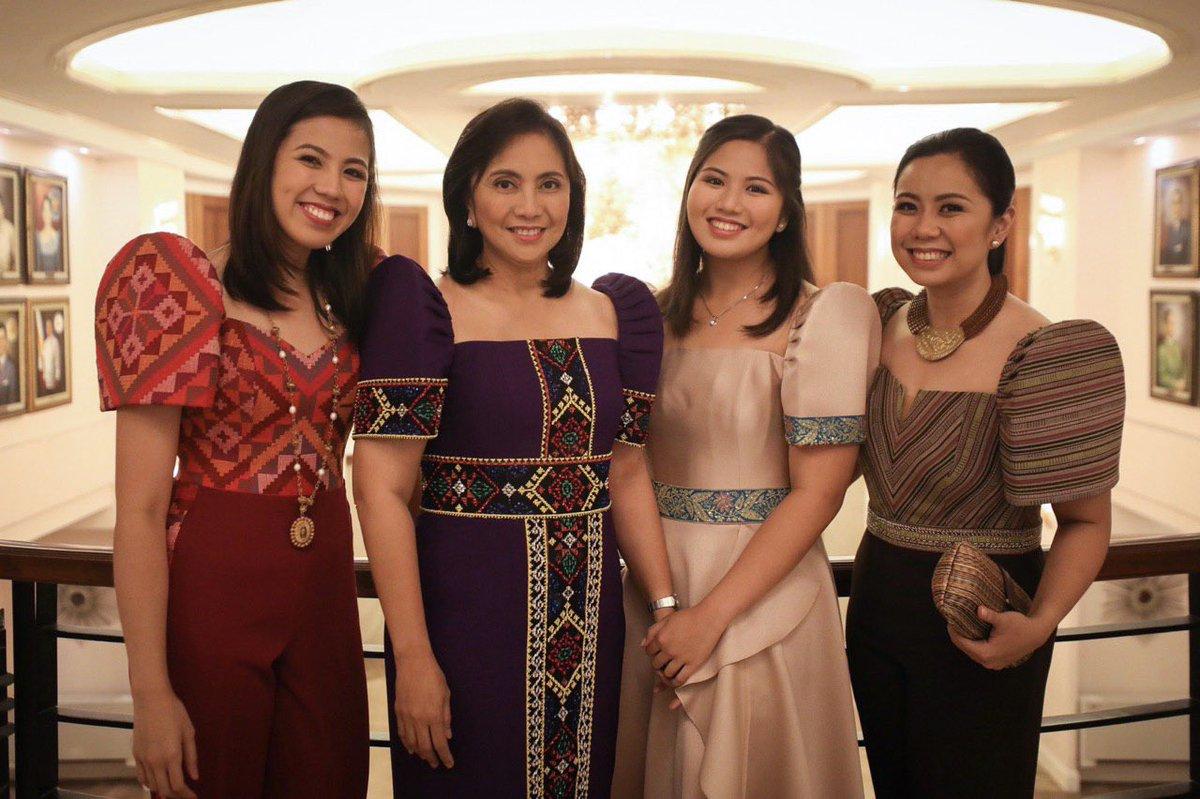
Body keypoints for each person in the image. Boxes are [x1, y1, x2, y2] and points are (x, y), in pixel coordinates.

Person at [351, 97, 676, 798]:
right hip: (462, 621)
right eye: (505, 182)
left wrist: (669, 608)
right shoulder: (424, 310)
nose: (530, 205)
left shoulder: (614, 312)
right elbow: (378, 488)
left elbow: (625, 471)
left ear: (573, 197)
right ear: (466, 196)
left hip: (592, 627)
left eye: (549, 183)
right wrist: (411, 656)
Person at [94, 80, 379, 799]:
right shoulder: (182, 286)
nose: (333, 187)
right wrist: (149, 693)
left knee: (333, 776)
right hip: (213, 587)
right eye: (311, 159)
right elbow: (138, 509)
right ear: (263, 164)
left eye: (354, 170)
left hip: (324, 593)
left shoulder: (360, 293)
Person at [847, 127, 1125, 798]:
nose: (924, 227)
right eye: (908, 204)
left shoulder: (1042, 349)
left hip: (986, 613)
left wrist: (1040, 622)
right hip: (877, 600)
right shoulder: (874, 324)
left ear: (1000, 223)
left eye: (951, 207)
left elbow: (1086, 523)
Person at [612, 115, 873, 799]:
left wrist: (707, 618)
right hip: (653, 583)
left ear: (787, 213)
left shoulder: (824, 318)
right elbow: (624, 466)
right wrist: (670, 608)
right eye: (713, 179)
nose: (729, 202)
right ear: (689, 190)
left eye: (756, 188)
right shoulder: (650, 315)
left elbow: (820, 493)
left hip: (763, 589)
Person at [1161, 182, 1193, 265]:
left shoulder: (1188, 228)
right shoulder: (1169, 229)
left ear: (1182, 204)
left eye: (1178, 202)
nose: (1176, 207)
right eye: (1173, 203)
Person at [35, 191, 61, 274]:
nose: (46, 214)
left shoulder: (59, 236)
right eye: (44, 210)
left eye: (49, 210)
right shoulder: (37, 237)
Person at [38, 313, 63, 393]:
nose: (48, 329)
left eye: (49, 327)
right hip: (45, 377)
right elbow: (42, 359)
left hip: (53, 377)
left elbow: (57, 360)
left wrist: (57, 377)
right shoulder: (44, 342)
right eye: (46, 327)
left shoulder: (55, 342)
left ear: (52, 328)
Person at [0, 323, 18, 405]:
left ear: (6, 341)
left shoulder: (11, 368)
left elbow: (13, 399)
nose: (0, 342)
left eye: (2, 338)